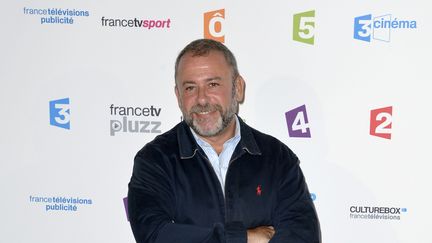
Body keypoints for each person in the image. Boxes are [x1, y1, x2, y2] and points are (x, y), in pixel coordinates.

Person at [128, 39, 321, 243]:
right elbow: (155, 236)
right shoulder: (155, 160)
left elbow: (303, 236)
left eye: (213, 84)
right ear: (178, 95)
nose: (202, 99)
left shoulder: (276, 157)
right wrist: (244, 238)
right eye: (190, 88)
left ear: (237, 88)